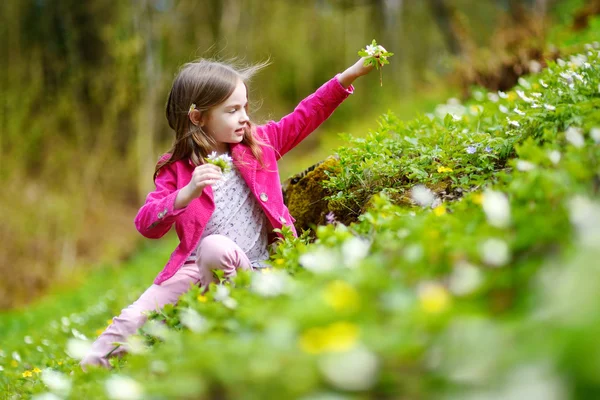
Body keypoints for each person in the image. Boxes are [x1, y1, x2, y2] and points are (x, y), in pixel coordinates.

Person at [80, 55, 375, 369]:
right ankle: (88, 372)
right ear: (197, 117)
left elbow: (306, 114)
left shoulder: (260, 144)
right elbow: (146, 223)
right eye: (232, 110)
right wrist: (185, 193)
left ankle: (233, 323)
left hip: (257, 267)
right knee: (133, 317)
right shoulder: (176, 167)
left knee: (216, 248)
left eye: (245, 107)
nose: (244, 118)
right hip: (193, 269)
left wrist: (349, 76)